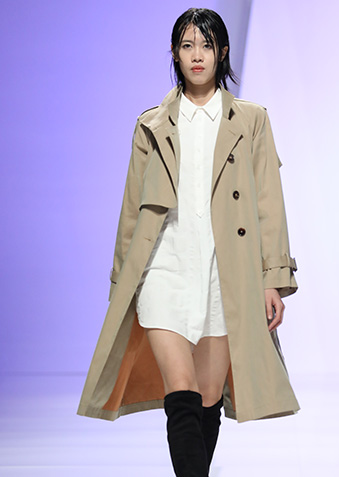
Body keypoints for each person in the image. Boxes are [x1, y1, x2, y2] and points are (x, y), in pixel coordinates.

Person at [77, 7, 300, 477]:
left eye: (206, 45)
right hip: (164, 267)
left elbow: (269, 203)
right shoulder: (151, 124)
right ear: (175, 55)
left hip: (225, 272)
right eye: (186, 45)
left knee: (207, 399)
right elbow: (131, 209)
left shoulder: (252, 120)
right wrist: (122, 283)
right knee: (180, 392)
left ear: (222, 52)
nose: (197, 55)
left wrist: (273, 280)